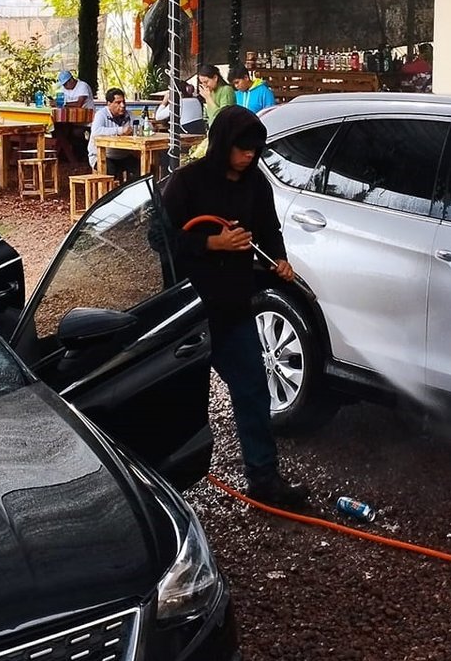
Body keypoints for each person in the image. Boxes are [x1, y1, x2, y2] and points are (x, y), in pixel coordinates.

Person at [160, 106, 310, 509]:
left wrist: (278, 259)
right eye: (243, 150)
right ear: (224, 144)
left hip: (233, 307)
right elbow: (159, 238)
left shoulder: (256, 184)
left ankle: (263, 479)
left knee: (252, 391)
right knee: (175, 402)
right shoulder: (187, 183)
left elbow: (268, 229)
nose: (250, 157)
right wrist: (212, 244)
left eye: (256, 151)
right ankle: (159, 485)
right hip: (189, 311)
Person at [88, 86, 139, 179]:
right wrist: (120, 130)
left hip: (122, 156)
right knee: (110, 170)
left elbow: (148, 125)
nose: (122, 105)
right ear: (109, 104)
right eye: (118, 103)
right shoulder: (101, 114)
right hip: (101, 156)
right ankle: (109, 193)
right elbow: (96, 131)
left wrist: (137, 129)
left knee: (140, 168)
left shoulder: (128, 114)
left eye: (123, 102)